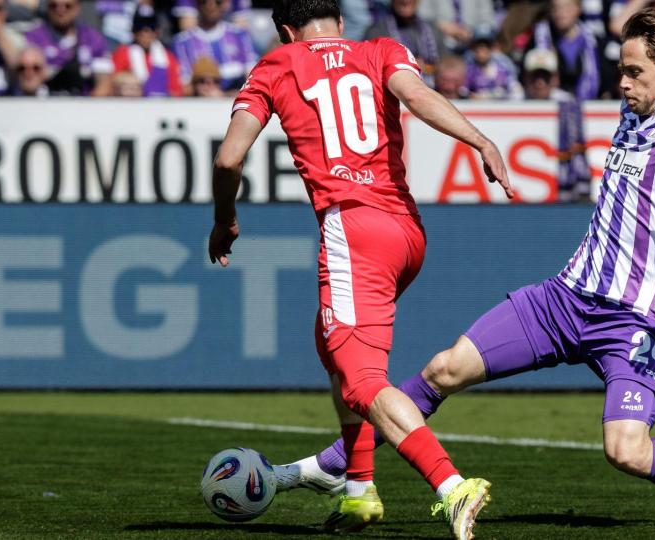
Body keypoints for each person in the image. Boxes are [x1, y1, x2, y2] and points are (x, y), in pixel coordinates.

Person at [272, 9, 655, 532]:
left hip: (632, 321)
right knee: (443, 370)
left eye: (634, 71)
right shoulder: (632, 111)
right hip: (563, 301)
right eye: (622, 68)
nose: (623, 81)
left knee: (627, 451)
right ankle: (332, 466)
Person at [208, 1, 514, 537]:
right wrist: (481, 141)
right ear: (340, 23)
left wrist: (225, 219)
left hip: (352, 228)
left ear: (286, 30)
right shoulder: (381, 50)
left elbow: (229, 159)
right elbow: (417, 97)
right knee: (332, 348)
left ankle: (451, 485)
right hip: (405, 231)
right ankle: (358, 490)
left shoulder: (277, 64)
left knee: (361, 382)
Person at [24, 0, 113, 96]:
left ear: (78, 8)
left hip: (82, 103)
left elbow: (104, 83)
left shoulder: (93, 38)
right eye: (54, 6)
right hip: (43, 102)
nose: (60, 10)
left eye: (67, 6)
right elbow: (26, 80)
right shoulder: (32, 38)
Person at [172, 0, 257, 94]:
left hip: (237, 100)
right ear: (196, 4)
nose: (210, 6)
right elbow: (183, 87)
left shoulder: (241, 35)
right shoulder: (182, 42)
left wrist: (225, 95)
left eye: (218, 2)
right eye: (204, 2)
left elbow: (254, 79)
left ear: (226, 4)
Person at [364, 0, 444, 86]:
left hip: (433, 87)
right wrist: (409, 65)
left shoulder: (432, 29)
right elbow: (372, 68)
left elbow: (446, 63)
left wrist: (427, 67)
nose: (405, 1)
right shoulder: (377, 31)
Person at [111, 6, 184, 97]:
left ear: (157, 31)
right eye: (140, 28)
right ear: (133, 31)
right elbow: (113, 85)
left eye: (151, 28)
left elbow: (176, 90)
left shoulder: (168, 57)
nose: (146, 33)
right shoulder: (122, 53)